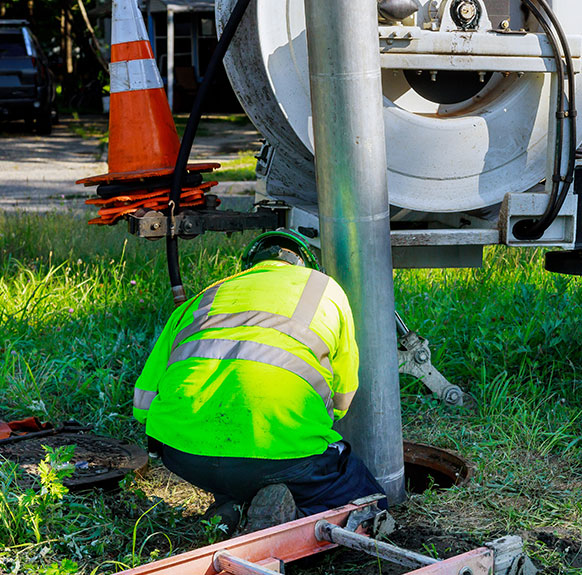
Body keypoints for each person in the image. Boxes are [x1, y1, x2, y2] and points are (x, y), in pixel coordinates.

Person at [133, 229, 387, 533]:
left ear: (250, 266)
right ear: (306, 265)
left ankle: (233, 510)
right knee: (373, 501)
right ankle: (293, 520)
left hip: (184, 455)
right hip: (279, 452)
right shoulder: (324, 289)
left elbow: (144, 404)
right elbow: (344, 395)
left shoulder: (206, 296)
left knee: (240, 469)